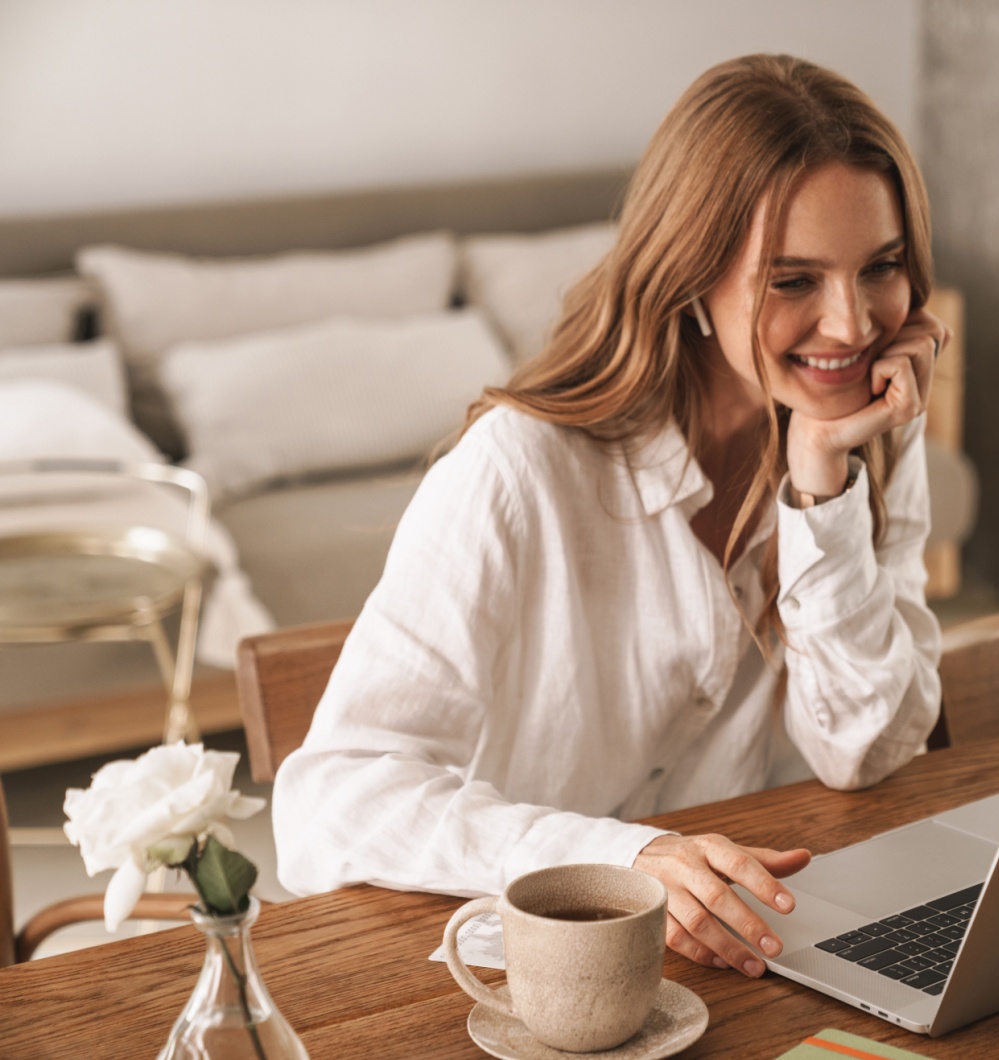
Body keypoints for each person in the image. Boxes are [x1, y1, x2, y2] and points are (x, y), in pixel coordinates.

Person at [273, 53, 948, 981]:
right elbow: (327, 803)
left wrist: (822, 493)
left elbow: (864, 751)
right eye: (792, 281)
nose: (852, 325)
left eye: (881, 268)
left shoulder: (864, 438)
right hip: (514, 985)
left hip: (744, 960)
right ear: (690, 275)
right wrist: (623, 858)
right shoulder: (519, 470)